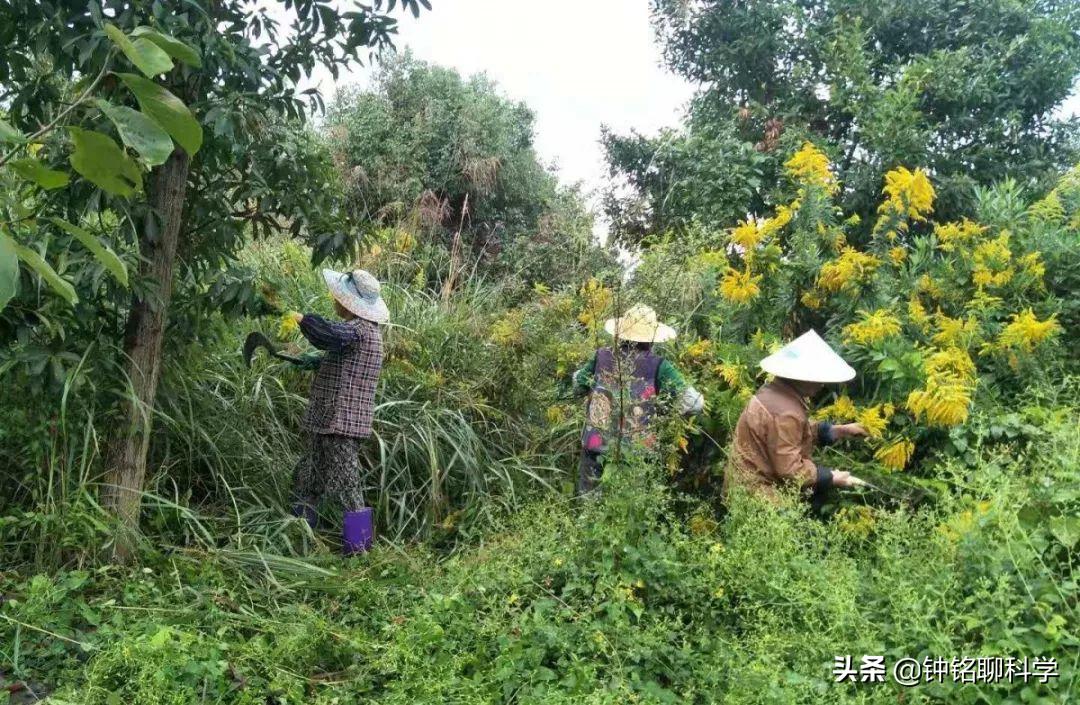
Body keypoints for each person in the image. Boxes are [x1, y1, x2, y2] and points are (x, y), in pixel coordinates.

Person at [288, 268, 388, 555]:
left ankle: (359, 552)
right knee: (310, 478)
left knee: (347, 486)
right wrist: (311, 362)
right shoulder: (359, 333)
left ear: (349, 303)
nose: (335, 301)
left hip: (342, 423)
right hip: (329, 420)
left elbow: (327, 334)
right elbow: (340, 360)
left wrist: (302, 320)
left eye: (338, 298)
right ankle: (300, 538)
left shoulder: (359, 330)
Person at [573, 303, 704, 494]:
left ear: (621, 333)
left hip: (595, 447)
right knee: (628, 512)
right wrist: (667, 411)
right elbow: (695, 403)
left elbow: (579, 386)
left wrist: (584, 379)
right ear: (651, 338)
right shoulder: (660, 367)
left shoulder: (601, 356)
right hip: (636, 454)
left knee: (589, 506)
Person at [724, 329, 869, 503]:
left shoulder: (775, 393)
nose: (822, 384)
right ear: (802, 377)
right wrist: (829, 477)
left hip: (743, 486)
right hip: (759, 497)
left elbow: (790, 435)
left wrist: (838, 431)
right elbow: (790, 470)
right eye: (818, 377)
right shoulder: (785, 413)